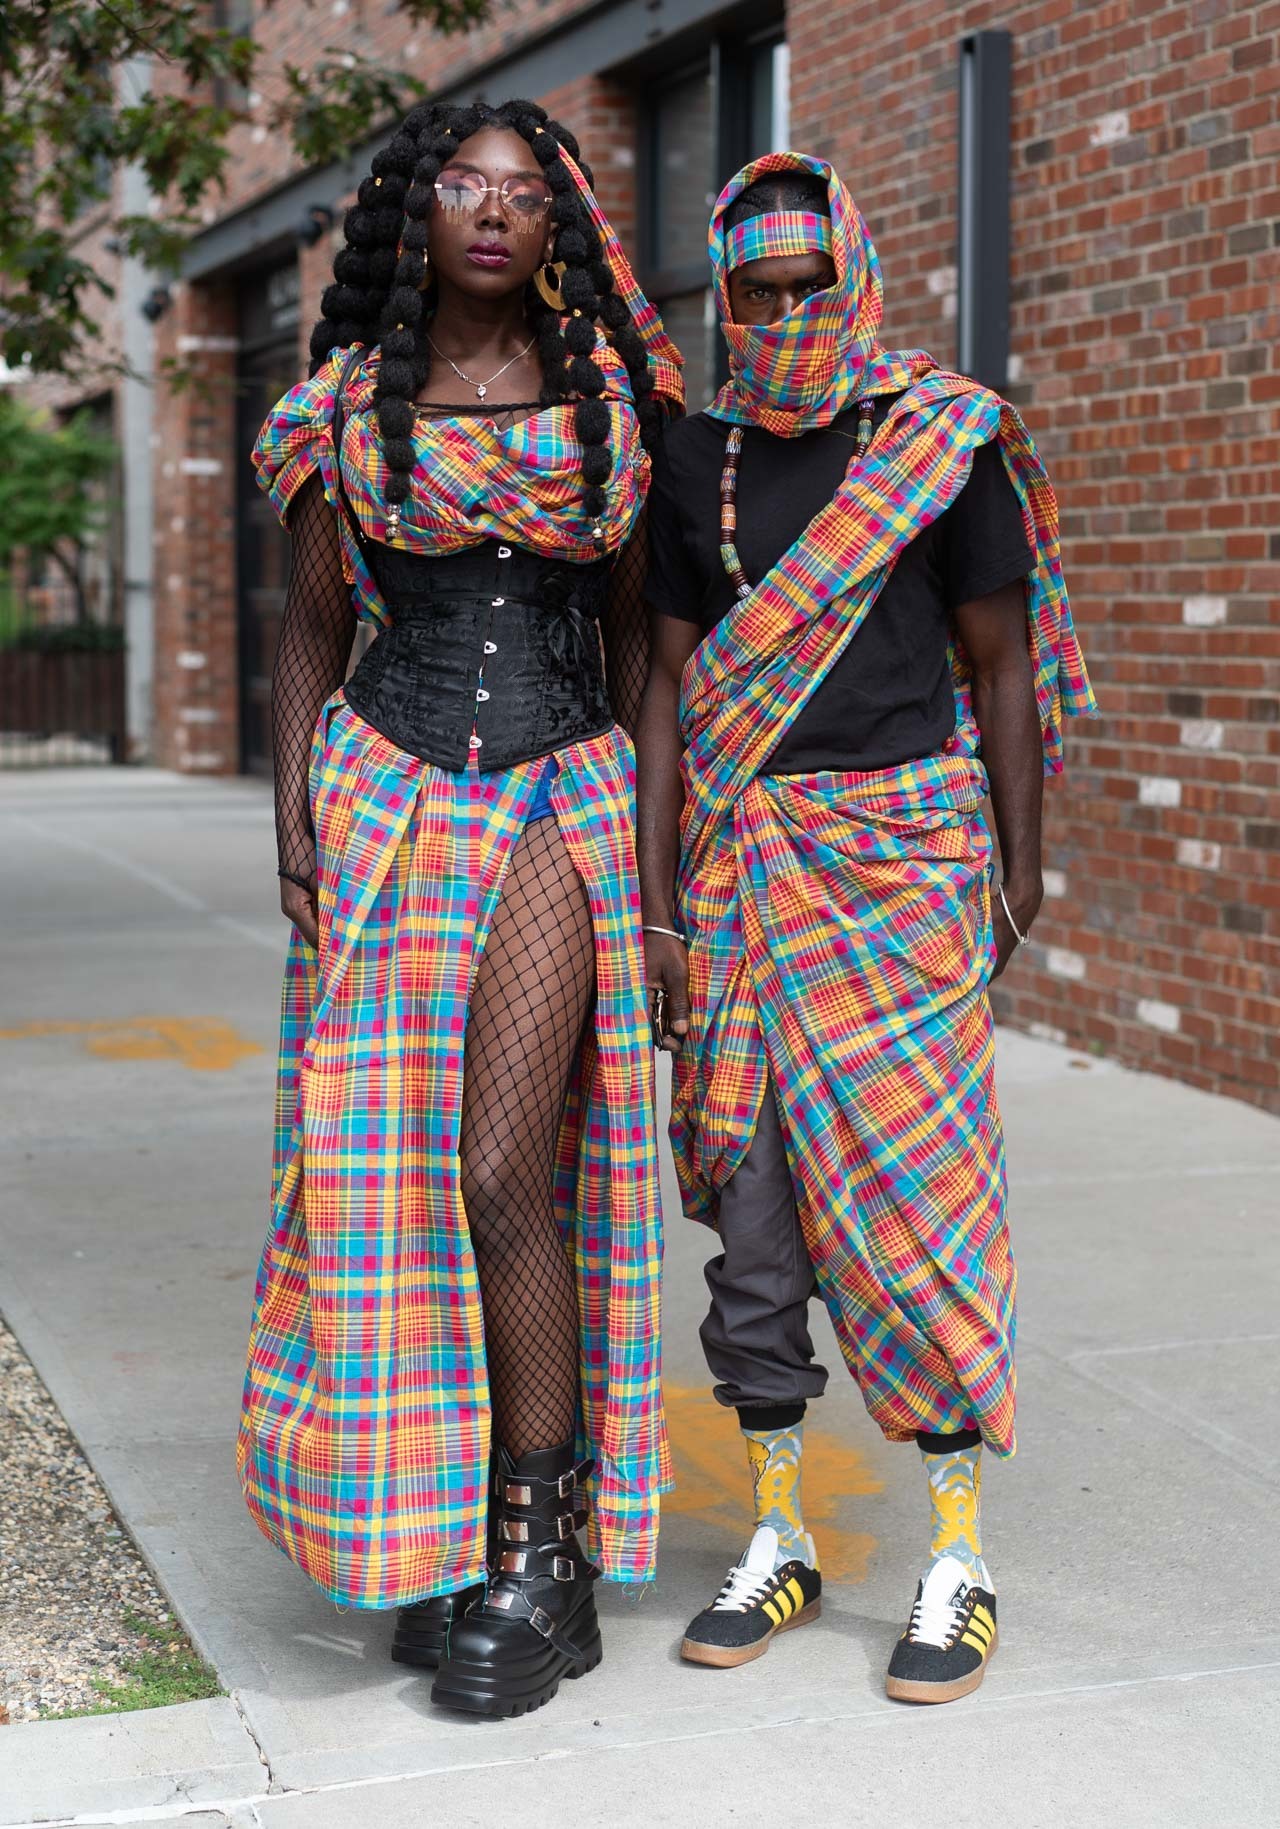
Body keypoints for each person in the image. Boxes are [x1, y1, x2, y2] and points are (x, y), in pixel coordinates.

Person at [240, 97, 683, 1720]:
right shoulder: (346, 413)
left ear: (558, 221)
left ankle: (539, 1550)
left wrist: (653, 874)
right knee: (391, 1183)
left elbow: (645, 655)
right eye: (463, 189)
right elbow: (307, 631)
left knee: (509, 1162)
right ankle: (444, 1531)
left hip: (562, 794)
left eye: (523, 193)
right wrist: (296, 808)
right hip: (387, 790)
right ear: (414, 214)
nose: (493, 214)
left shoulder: (615, 409)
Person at [637, 152, 1095, 1704]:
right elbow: (666, 692)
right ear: (724, 298)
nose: (781, 316)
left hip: (903, 864)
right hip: (744, 871)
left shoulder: (936, 444)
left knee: (917, 1220)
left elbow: (999, 659)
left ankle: (958, 1559)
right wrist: (655, 907)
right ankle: (781, 1532)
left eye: (805, 285)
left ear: (856, 276)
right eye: (753, 293)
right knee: (755, 1240)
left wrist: (1019, 864)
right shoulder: (692, 457)